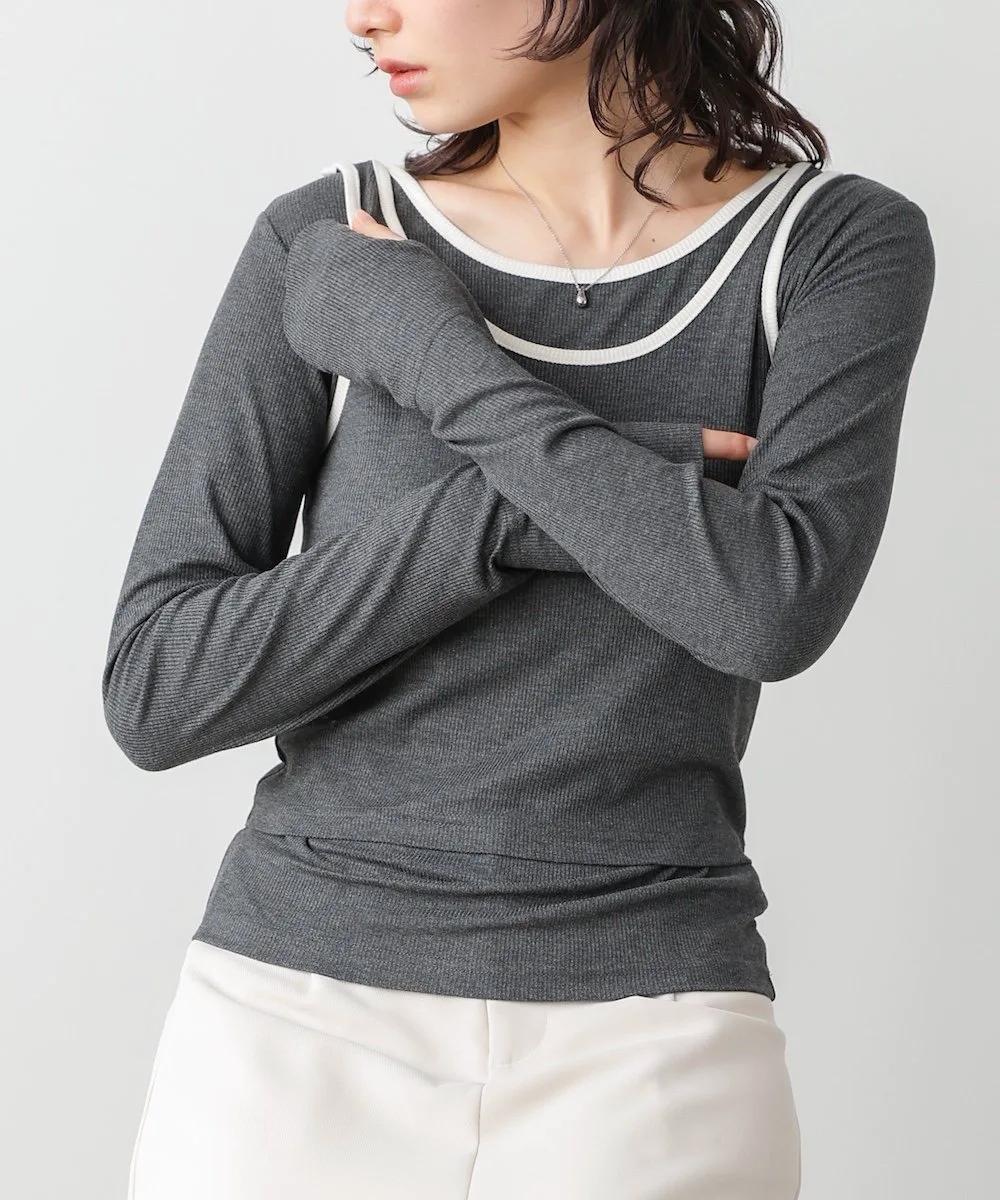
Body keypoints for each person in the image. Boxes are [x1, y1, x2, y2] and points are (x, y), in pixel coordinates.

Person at [104, 2, 936, 1197]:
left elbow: (767, 607)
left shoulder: (829, 244)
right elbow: (158, 687)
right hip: (291, 1027)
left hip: (656, 1040)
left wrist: (441, 363)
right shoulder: (330, 244)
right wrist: (513, 513)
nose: (364, 16)